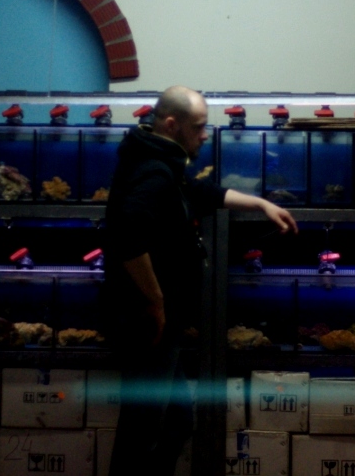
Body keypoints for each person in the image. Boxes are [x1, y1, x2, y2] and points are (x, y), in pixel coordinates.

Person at [103, 85, 297, 476]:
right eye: (199, 127)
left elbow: (198, 191)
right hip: (150, 324)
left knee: (176, 422)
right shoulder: (154, 171)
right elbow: (126, 236)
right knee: (141, 432)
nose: (206, 135)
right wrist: (155, 299)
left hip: (161, 325)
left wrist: (261, 203)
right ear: (171, 124)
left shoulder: (159, 160)